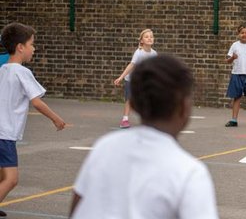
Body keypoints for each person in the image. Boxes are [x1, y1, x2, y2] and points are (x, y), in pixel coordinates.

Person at [69, 55, 219, 219]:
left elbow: (77, 206)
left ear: (132, 105)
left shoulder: (104, 147)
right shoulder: (189, 173)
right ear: (185, 107)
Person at [0, 22, 66, 217]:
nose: (34, 48)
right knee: (11, 179)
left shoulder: (2, 69)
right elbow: (36, 102)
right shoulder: (22, 72)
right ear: (20, 47)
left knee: (3, 174)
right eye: (31, 44)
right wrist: (57, 119)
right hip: (5, 133)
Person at [113, 29, 157, 129]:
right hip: (131, 80)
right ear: (141, 41)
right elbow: (131, 65)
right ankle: (125, 119)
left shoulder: (154, 53)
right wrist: (121, 77)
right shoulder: (139, 53)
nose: (149, 38)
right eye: (146, 36)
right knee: (129, 99)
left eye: (151, 36)